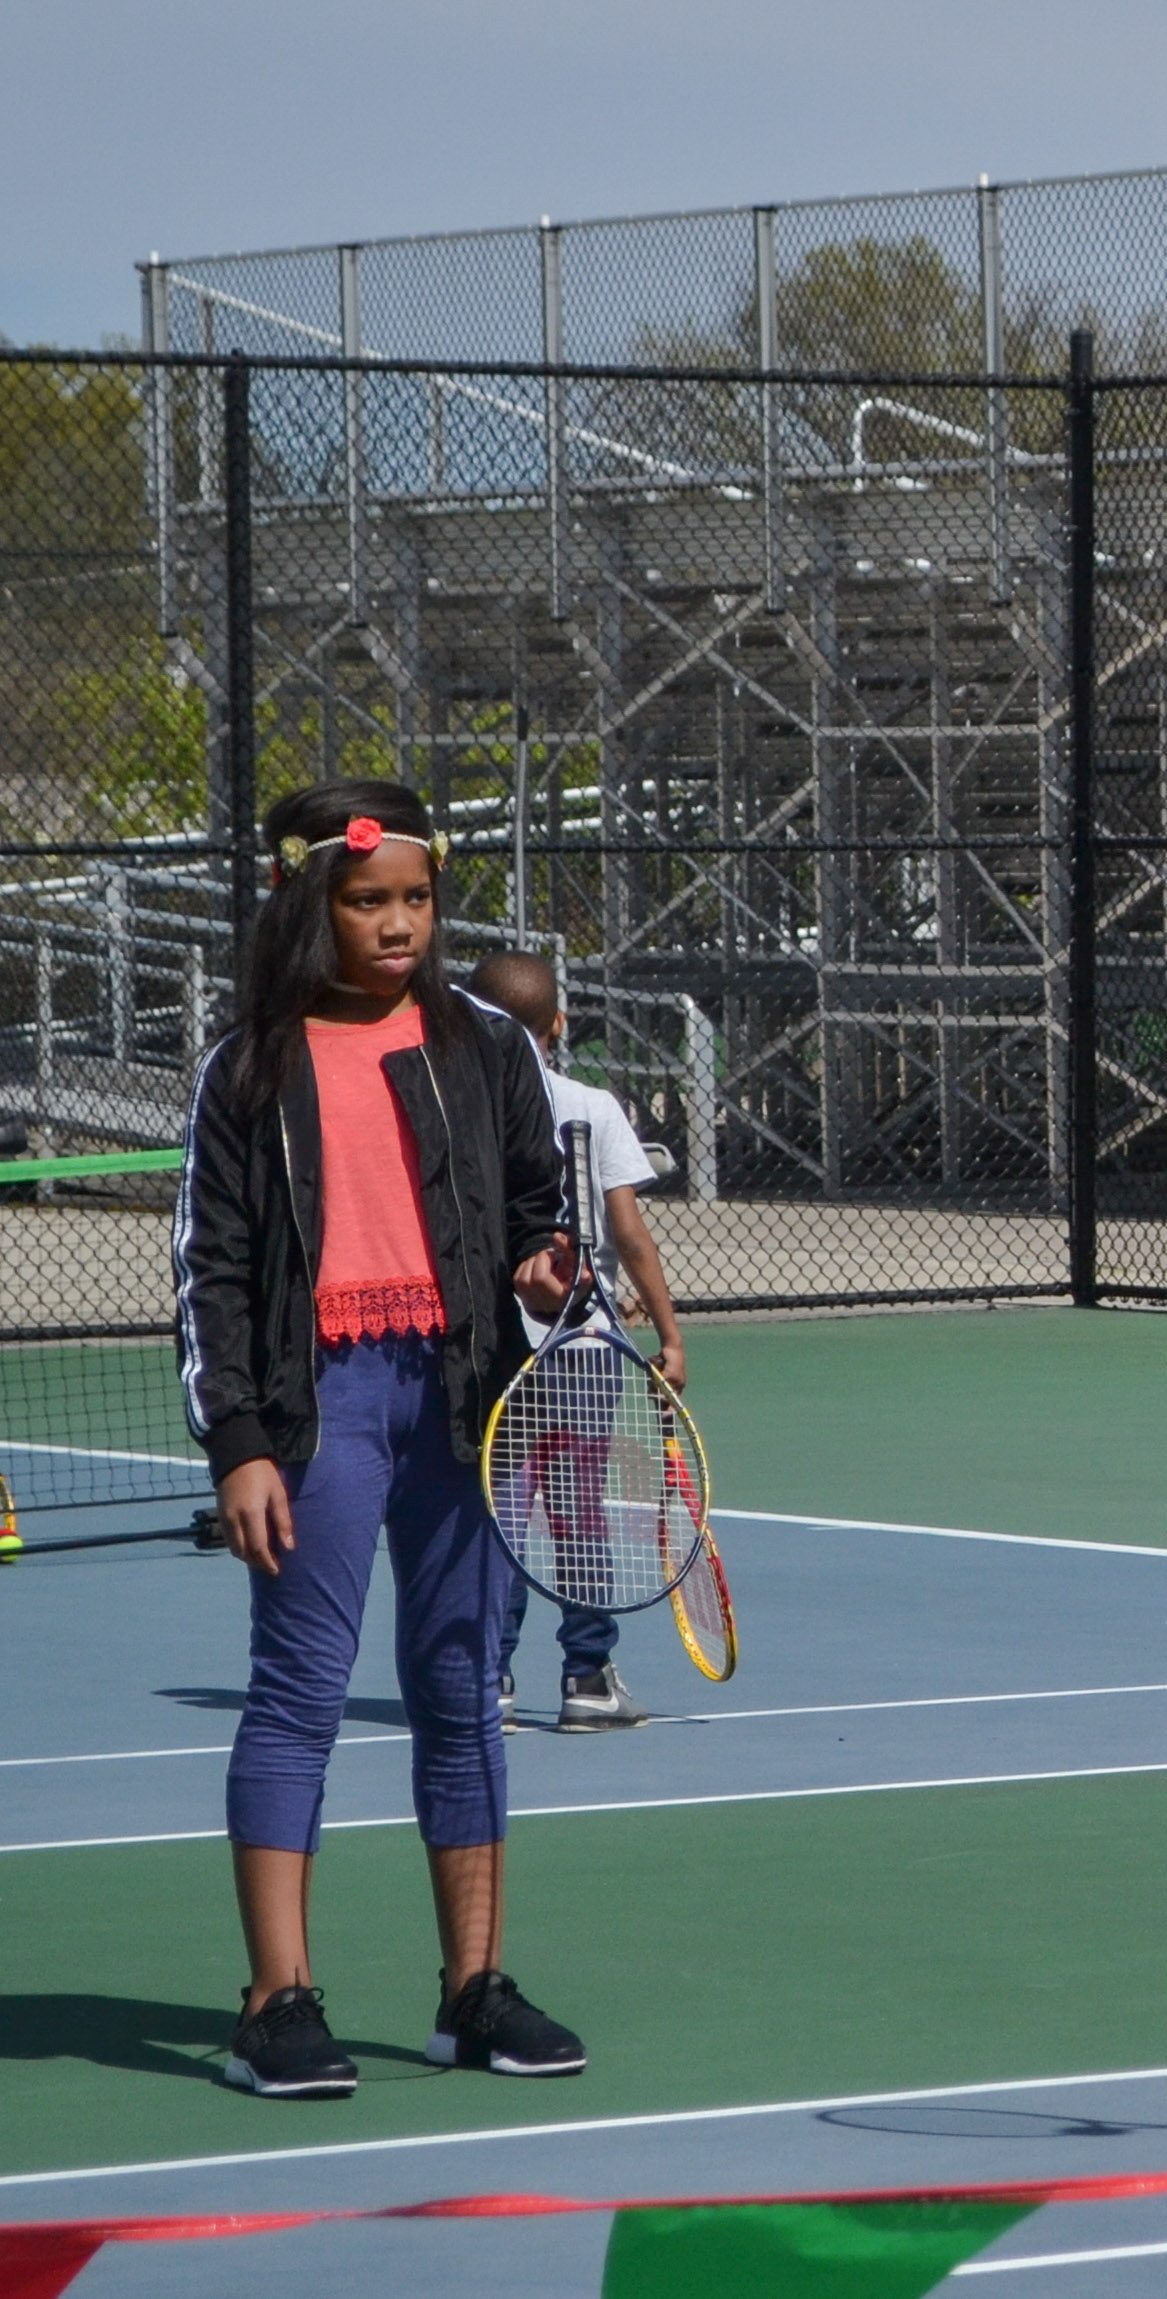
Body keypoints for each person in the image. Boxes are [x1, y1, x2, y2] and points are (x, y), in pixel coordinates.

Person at [176, 780, 591, 2099]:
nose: (399, 923)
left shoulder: (486, 1043)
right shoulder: (248, 1064)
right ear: (309, 900)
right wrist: (239, 1441)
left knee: (462, 1685)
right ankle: (276, 2001)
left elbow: (537, 1211)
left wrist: (548, 1269)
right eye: (368, 901)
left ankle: (474, 1990)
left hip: (462, 1403)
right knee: (300, 1687)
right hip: (319, 1410)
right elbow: (213, 1269)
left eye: (416, 898)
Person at [464, 951, 685, 1735]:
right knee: (579, 1510)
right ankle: (588, 1678)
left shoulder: (461, 1109)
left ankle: (488, 1681)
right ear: (558, 1023)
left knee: (500, 1514)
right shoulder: (592, 1103)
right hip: (585, 1351)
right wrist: (670, 1335)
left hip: (498, 1348)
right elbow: (630, 1232)